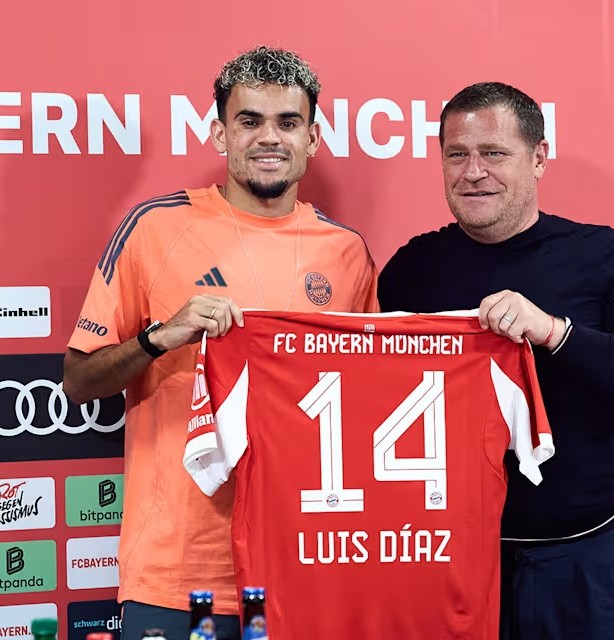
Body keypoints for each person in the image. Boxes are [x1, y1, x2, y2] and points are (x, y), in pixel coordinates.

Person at [63, 46, 379, 640]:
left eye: (288, 122)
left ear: (312, 139)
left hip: (304, 567)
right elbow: (78, 382)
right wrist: (161, 338)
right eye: (249, 120)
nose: (269, 138)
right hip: (179, 574)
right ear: (218, 133)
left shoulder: (347, 251)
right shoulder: (154, 228)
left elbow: (367, 405)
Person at [377, 81, 614, 639]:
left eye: (494, 153)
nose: (473, 171)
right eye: (457, 154)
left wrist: (554, 332)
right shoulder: (410, 270)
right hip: (453, 564)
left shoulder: (602, 254)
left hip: (585, 562)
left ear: (538, 158)